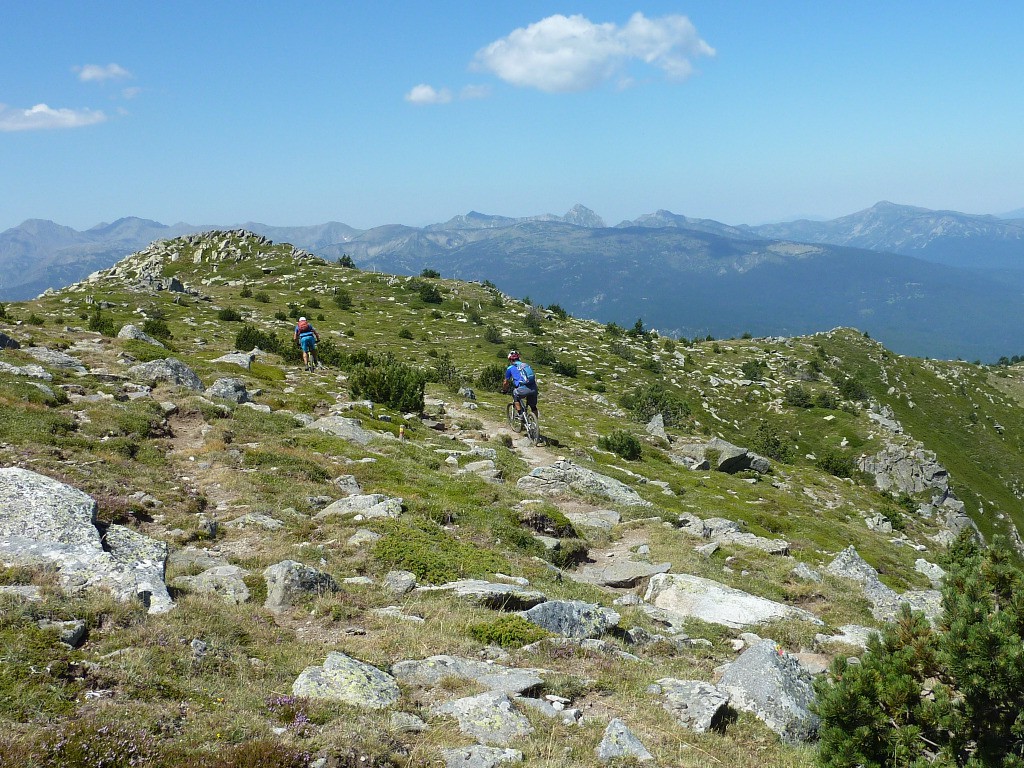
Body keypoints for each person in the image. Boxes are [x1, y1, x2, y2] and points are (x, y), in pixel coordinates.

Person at [502, 350, 538, 420]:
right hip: (533, 388)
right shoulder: (526, 365)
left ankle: (520, 414)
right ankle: (535, 423)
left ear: (510, 360)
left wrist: (504, 390)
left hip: (523, 389)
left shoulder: (510, 368)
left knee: (515, 394)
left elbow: (505, 382)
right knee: (533, 406)